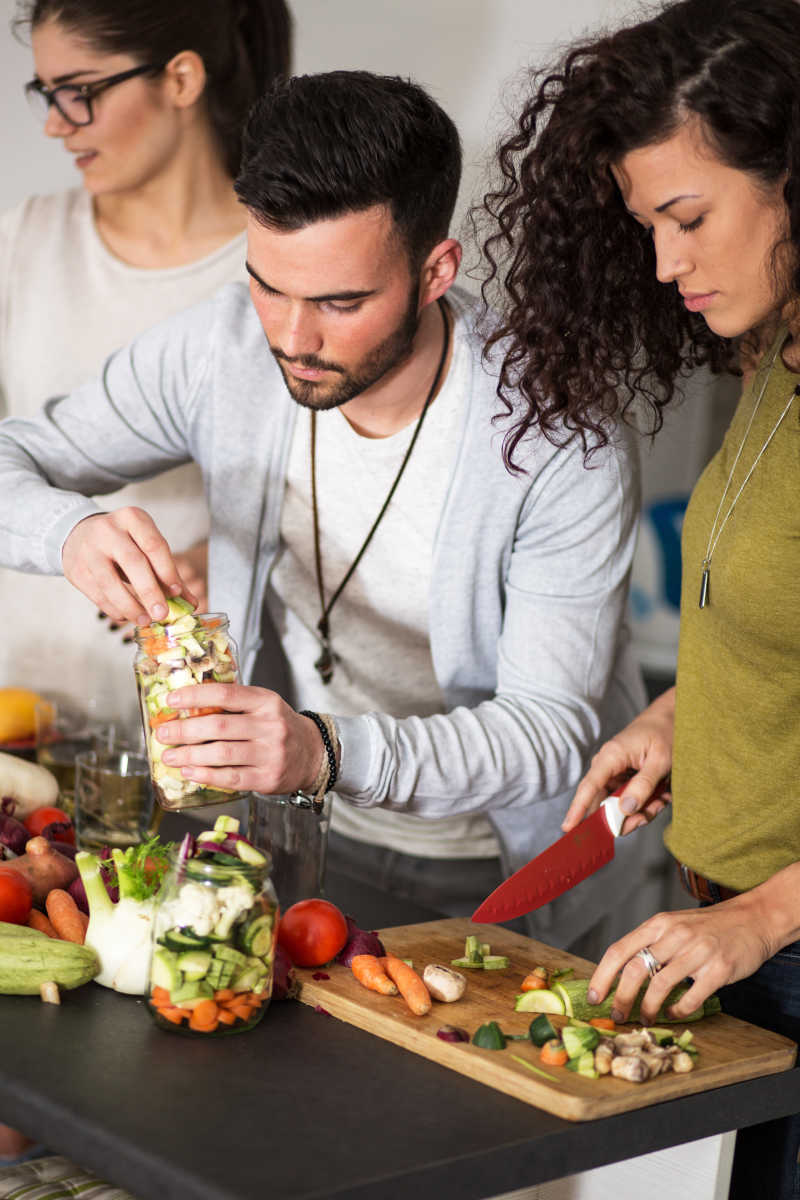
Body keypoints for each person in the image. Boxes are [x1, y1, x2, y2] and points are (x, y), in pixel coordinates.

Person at [0, 68, 663, 956]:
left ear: (436, 270)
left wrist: (323, 752)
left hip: (498, 861)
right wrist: (68, 531)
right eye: (267, 285)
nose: (292, 337)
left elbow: (547, 736)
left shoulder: (560, 441)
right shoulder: (221, 349)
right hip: (290, 833)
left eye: (341, 302)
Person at [479, 1, 800, 1195]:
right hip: (753, 938)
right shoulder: (772, 355)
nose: (665, 264)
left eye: (686, 218)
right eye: (645, 226)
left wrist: (761, 918)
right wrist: (681, 722)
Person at [0, 0, 291, 729]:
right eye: (47, 93)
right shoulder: (19, 244)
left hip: (193, 728)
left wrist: (237, 554)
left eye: (80, 92)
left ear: (182, 79)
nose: (55, 124)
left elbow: (355, 491)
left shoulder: (291, 271)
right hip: (22, 697)